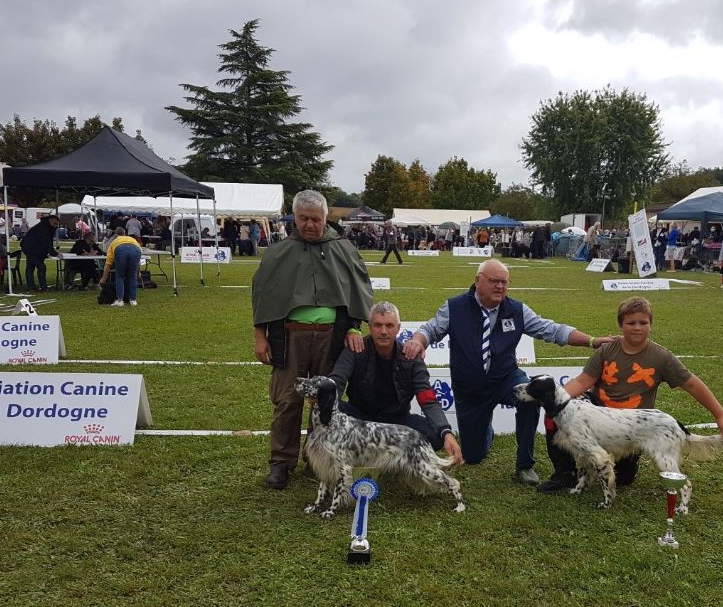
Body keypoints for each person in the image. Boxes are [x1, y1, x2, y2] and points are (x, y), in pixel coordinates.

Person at [402, 259, 617, 484]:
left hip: (506, 378)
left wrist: (591, 341)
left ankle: (524, 465)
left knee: (530, 398)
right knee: (474, 456)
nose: (500, 287)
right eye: (494, 281)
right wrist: (418, 341)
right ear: (477, 282)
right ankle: (486, 429)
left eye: (504, 282)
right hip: (470, 389)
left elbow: (552, 330)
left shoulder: (517, 310)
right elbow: (430, 329)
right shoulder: (454, 307)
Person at [538, 297, 723, 494]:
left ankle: (624, 460)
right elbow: (582, 382)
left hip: (632, 424)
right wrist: (557, 401)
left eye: (643, 323)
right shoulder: (606, 350)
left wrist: (720, 415)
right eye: (631, 323)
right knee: (557, 415)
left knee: (624, 478)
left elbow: (692, 384)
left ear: (651, 325)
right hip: (599, 414)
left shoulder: (661, 357)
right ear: (621, 325)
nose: (637, 328)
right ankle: (564, 474)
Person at [252, 189, 374, 490]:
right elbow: (263, 293)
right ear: (295, 217)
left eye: (315, 219)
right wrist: (260, 336)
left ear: (325, 218)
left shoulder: (343, 248)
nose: (309, 224)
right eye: (303, 218)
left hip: (330, 338)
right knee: (287, 401)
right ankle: (281, 462)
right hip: (288, 337)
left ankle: (315, 456)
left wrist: (354, 327)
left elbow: (358, 288)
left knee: (325, 401)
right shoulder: (279, 252)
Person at [329, 301, 463, 464]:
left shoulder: (411, 357)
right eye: (378, 325)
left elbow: (427, 399)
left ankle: (377, 453)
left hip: (397, 421)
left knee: (434, 435)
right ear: (369, 327)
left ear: (398, 328)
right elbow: (337, 381)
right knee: (328, 409)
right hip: (360, 420)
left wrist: (446, 432)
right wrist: (324, 397)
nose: (384, 331)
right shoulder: (355, 349)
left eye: (389, 325)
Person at [98, 227, 143, 307]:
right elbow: (138, 260)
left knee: (120, 276)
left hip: (120, 250)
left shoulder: (114, 242)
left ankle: (120, 300)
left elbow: (108, 263)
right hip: (136, 249)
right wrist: (138, 272)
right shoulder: (131, 239)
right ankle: (133, 300)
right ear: (124, 234)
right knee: (133, 277)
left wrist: (103, 279)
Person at [20, 213, 60, 290]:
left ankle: (32, 286)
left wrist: (47, 253)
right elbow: (46, 242)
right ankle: (42, 286)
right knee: (41, 267)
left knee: (30, 267)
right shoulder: (43, 228)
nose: (56, 226)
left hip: (32, 248)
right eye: (55, 224)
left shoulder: (45, 227)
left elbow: (45, 243)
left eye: (57, 224)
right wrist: (54, 253)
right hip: (30, 249)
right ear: (50, 221)